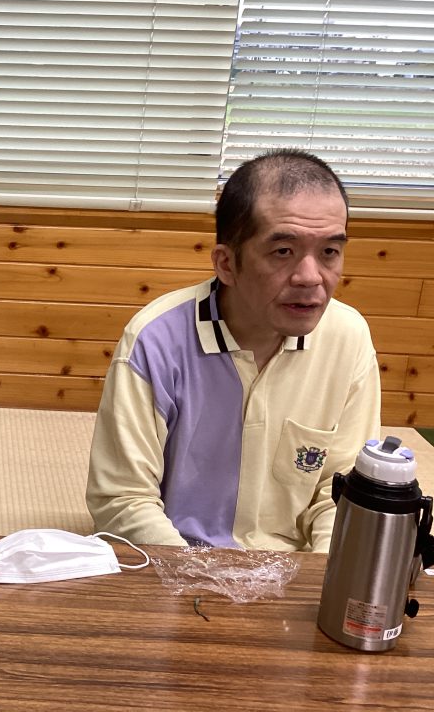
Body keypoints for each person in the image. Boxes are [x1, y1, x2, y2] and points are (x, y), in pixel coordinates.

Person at [86, 148, 380, 552]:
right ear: (226, 264)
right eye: (283, 251)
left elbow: (341, 492)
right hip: (176, 561)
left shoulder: (349, 338)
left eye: (329, 251)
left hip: (293, 570)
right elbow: (123, 499)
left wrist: (324, 576)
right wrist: (198, 576)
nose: (311, 277)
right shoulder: (156, 340)